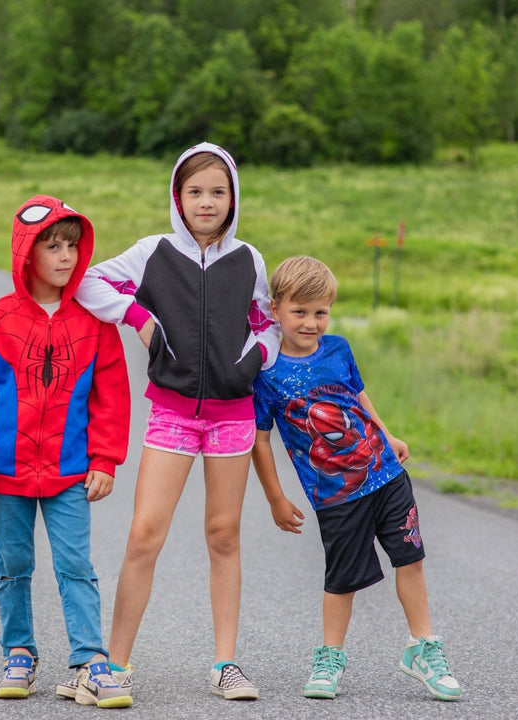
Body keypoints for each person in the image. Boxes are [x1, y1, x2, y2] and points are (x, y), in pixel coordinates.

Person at [74, 142, 280, 703]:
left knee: (224, 535)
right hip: (171, 413)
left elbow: (269, 322)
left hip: (231, 417)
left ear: (233, 197)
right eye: (195, 192)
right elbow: (88, 281)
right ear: (177, 197)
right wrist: (140, 318)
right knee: (144, 534)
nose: (206, 202)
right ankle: (114, 664)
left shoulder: (249, 259)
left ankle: (226, 665)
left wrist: (257, 357)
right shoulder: (153, 252)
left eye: (218, 191)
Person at [251, 255, 463, 702]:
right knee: (342, 578)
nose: (311, 323)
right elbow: (260, 439)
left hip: (386, 475)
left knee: (410, 559)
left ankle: (423, 648)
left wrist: (388, 434)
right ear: (276, 310)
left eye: (320, 312)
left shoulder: (339, 348)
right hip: (336, 496)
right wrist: (275, 497)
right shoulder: (266, 373)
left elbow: (358, 395)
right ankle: (329, 658)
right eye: (300, 312)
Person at [0, 195, 134, 709]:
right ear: (25, 253)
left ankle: (90, 661)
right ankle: (19, 651)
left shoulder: (95, 322)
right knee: (12, 563)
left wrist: (104, 460)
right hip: (7, 470)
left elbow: (112, 398)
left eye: (73, 246)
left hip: (70, 472)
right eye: (52, 246)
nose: (66, 257)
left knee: (76, 564)